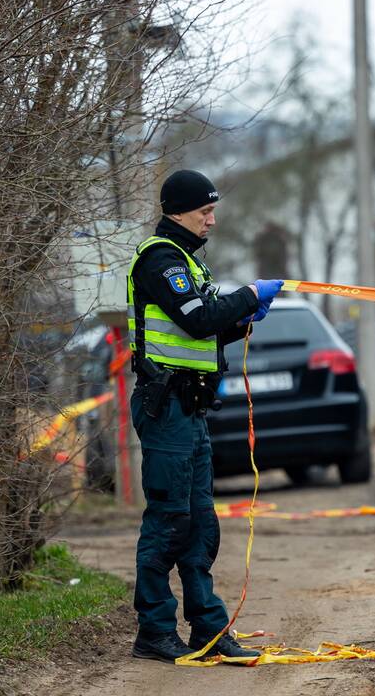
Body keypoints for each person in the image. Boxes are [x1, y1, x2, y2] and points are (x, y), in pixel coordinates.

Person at [127, 169, 283, 663]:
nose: (212, 221)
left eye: (212, 211)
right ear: (177, 211)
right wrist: (247, 296)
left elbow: (205, 331)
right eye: (204, 212)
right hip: (166, 407)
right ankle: (153, 631)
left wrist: (241, 319)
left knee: (200, 524)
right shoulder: (161, 261)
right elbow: (195, 318)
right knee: (170, 520)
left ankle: (208, 630)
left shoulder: (190, 264)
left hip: (190, 411)